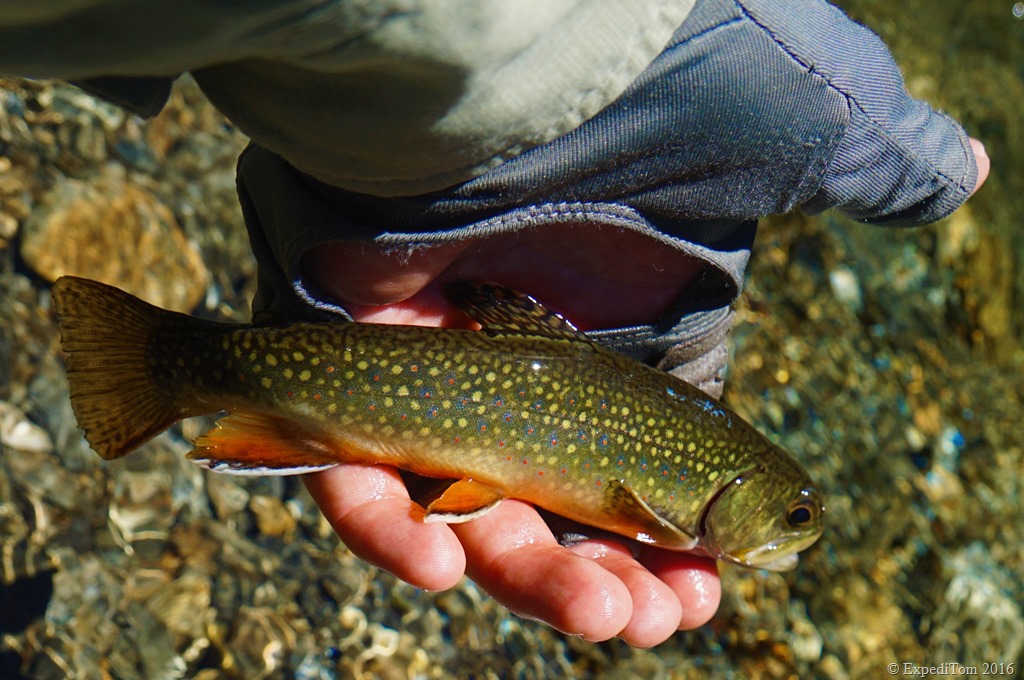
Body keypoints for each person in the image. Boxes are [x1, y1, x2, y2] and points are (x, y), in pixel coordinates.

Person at [1, 0, 988, 648]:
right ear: (734, 494)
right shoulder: (667, 507)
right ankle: (170, 359)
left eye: (797, 518)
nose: (794, 530)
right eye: (792, 517)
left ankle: (179, 360)